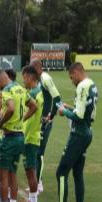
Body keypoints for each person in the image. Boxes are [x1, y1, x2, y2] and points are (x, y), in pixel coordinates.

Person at [46, 63, 97, 202]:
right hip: (88, 132)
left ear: (76, 72)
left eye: (71, 76)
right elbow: (85, 111)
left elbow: (79, 116)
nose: (71, 80)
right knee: (77, 173)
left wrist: (64, 112)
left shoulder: (82, 86)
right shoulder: (92, 84)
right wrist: (71, 107)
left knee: (61, 172)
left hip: (79, 134)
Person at [0, 69, 36, 202]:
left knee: (3, 176)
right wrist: (22, 120)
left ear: (0, 80)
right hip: (20, 137)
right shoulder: (21, 89)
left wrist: (1, 124)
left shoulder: (8, 90)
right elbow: (33, 106)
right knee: (13, 173)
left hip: (9, 138)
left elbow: (10, 108)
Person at [31, 59, 62, 192]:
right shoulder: (38, 80)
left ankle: (39, 184)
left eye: (32, 70)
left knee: (39, 153)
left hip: (45, 122)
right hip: (38, 122)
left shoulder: (45, 78)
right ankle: (37, 181)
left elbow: (57, 98)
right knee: (36, 152)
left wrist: (51, 116)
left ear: (38, 68)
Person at [19, 65, 43, 202]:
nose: (23, 81)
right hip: (32, 136)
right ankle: (31, 201)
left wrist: (21, 119)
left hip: (30, 137)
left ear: (29, 77)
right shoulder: (38, 92)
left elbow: (32, 110)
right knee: (30, 170)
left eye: (24, 78)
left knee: (30, 171)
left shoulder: (34, 94)